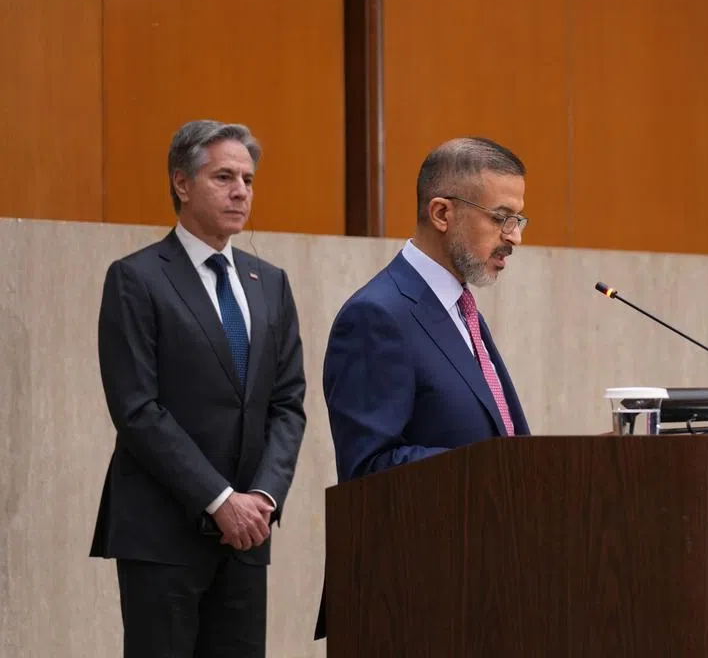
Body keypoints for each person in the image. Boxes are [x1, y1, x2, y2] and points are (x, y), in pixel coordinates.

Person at [90, 120, 307, 658]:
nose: (241, 191)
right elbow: (138, 409)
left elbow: (288, 404)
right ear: (182, 184)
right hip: (162, 532)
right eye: (224, 176)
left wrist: (261, 496)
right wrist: (219, 499)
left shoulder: (270, 282)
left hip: (248, 535)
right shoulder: (136, 278)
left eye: (249, 180)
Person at [323, 136, 531, 482]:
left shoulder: (462, 311)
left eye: (517, 220)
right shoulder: (375, 317)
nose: (514, 237)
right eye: (501, 218)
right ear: (441, 214)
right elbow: (368, 468)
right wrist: (493, 469)